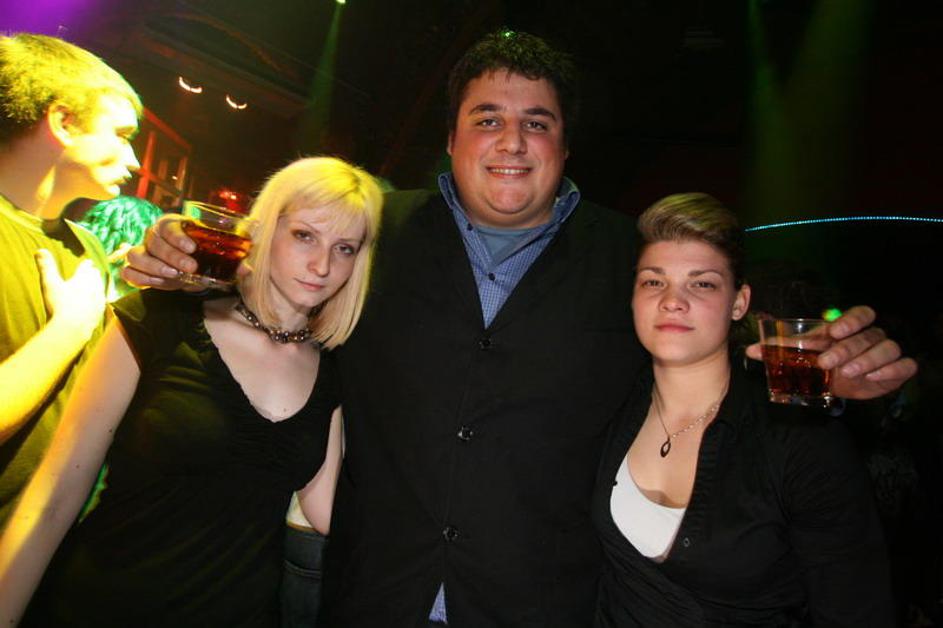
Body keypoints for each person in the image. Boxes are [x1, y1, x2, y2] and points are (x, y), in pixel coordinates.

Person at [123, 31, 916, 627]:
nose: (511, 141)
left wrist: (826, 379)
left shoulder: (627, 257)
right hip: (373, 598)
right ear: (451, 138)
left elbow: (706, 356)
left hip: (543, 607)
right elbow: (271, 289)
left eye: (536, 123)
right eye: (487, 118)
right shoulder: (372, 233)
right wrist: (183, 264)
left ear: (565, 146)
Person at [0, 156, 383, 626]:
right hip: (101, 607)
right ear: (263, 229)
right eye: (304, 235)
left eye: (344, 248)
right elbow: (52, 499)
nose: (322, 265)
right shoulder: (160, 320)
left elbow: (330, 514)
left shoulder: (333, 373)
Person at [592, 193, 895, 627]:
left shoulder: (796, 436)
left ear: (739, 301)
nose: (672, 300)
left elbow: (856, 607)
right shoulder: (614, 397)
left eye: (702, 283)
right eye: (653, 282)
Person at [0, 33, 143, 524]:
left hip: (42, 539)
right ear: (63, 123)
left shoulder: (89, 248)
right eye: (121, 134)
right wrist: (70, 328)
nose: (135, 161)